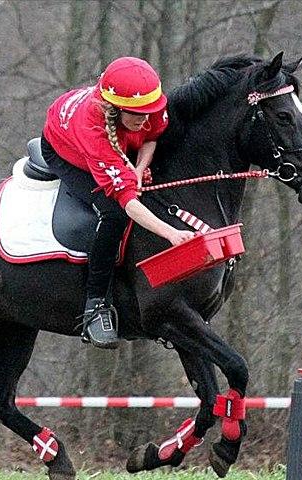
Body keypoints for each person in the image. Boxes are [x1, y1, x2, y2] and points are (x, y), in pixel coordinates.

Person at [41, 57, 195, 349]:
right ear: (114, 110)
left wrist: (139, 168)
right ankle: (96, 304)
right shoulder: (93, 131)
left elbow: (153, 134)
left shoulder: (150, 108)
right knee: (112, 214)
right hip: (65, 152)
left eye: (149, 112)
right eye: (138, 115)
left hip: (113, 140)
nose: (145, 119)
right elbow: (127, 202)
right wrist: (171, 234)